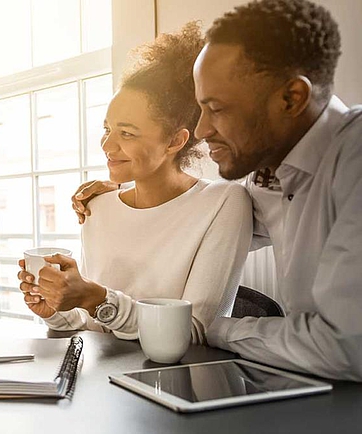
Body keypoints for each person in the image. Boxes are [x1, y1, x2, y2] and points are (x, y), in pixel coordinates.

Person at [73, 0, 362, 381]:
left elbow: (344, 347)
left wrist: (213, 328)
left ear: (291, 98)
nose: (202, 130)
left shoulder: (353, 161)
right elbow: (193, 214)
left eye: (217, 109)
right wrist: (125, 195)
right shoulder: (268, 181)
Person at [17, 23, 252, 345]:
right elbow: (90, 324)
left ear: (175, 140)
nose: (107, 146)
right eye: (107, 129)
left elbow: (195, 331)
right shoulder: (97, 206)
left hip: (171, 382)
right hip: (99, 381)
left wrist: (95, 299)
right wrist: (54, 308)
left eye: (126, 133)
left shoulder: (223, 202)